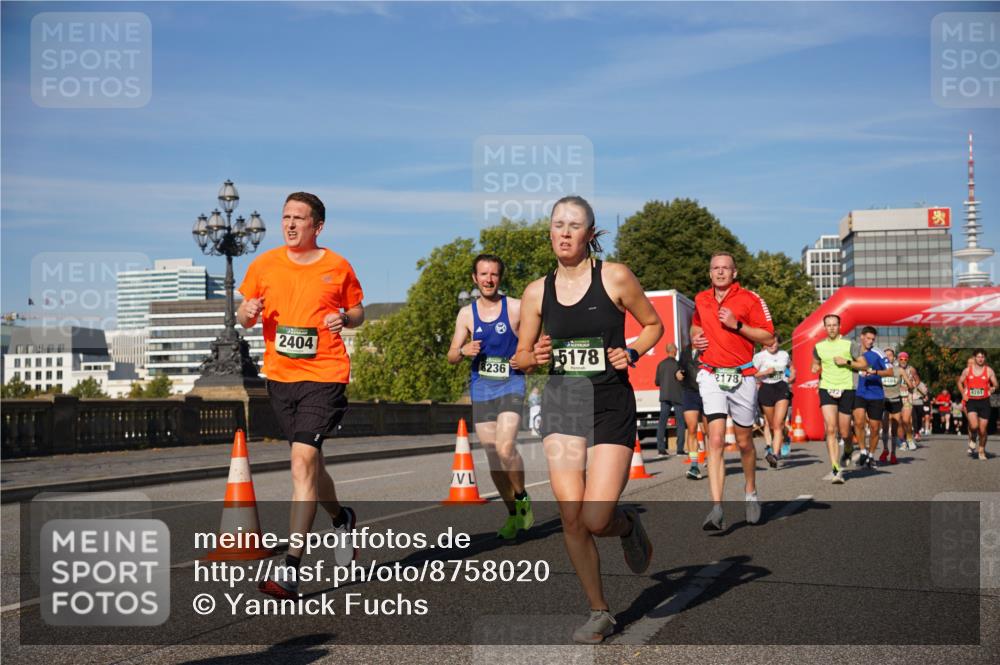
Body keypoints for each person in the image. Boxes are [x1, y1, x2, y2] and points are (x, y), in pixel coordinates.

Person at [514, 195, 663, 644]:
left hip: (610, 402)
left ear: (589, 234)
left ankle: (627, 524)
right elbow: (521, 355)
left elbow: (653, 324)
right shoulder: (536, 292)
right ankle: (599, 611)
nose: (564, 232)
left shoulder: (614, 276)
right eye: (558, 224)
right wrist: (534, 356)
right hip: (562, 403)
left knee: (597, 517)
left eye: (574, 225)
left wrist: (631, 352)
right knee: (571, 515)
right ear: (549, 232)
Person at [239, 192, 365, 600]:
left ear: (318, 226)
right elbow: (243, 315)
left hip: (325, 376)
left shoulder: (337, 266)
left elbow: (358, 312)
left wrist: (344, 318)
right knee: (311, 466)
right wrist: (247, 313)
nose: (290, 224)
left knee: (301, 463)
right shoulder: (264, 265)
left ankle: (291, 569)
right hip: (281, 379)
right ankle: (341, 517)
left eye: (299, 218)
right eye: (285, 217)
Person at [447, 254, 533, 540]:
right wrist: (462, 351)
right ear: (475, 278)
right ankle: (512, 514)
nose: (488, 279)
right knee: (493, 454)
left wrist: (525, 358)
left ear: (500, 277)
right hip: (482, 387)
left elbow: (532, 346)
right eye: (483, 274)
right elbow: (451, 355)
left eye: (494, 274)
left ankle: (522, 497)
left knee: (505, 447)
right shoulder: (466, 314)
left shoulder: (516, 307)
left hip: (511, 384)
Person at [691, 252, 776, 530]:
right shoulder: (701, 298)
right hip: (711, 373)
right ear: (709, 273)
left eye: (725, 268)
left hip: (742, 375)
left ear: (734, 273)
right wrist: (696, 338)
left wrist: (737, 325)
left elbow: (768, 337)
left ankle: (750, 492)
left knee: (744, 442)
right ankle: (716, 509)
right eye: (715, 268)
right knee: (715, 440)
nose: (720, 272)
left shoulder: (750, 299)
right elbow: (695, 325)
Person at [811, 314, 868, 484]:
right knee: (830, 429)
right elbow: (815, 362)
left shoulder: (850, 344)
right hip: (826, 388)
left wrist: (847, 362)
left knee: (844, 432)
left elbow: (864, 364)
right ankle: (836, 469)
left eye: (834, 325)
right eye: (828, 325)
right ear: (824, 327)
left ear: (840, 326)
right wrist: (815, 367)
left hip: (846, 388)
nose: (831, 328)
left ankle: (848, 449)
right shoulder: (819, 346)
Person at [852, 327, 894, 470]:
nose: (870, 342)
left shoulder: (878, 353)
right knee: (858, 422)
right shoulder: (854, 351)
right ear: (861, 337)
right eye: (868, 338)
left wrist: (875, 372)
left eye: (873, 339)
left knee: (875, 428)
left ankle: (871, 455)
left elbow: (890, 371)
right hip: (859, 392)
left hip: (876, 394)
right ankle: (863, 451)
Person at [753, 335, 794, 469]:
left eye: (774, 342)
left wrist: (792, 375)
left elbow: (791, 367)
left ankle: (775, 455)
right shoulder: (759, 356)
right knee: (771, 425)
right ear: (764, 344)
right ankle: (784, 438)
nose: (772, 345)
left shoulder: (784, 354)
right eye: (769, 342)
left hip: (782, 388)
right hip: (766, 389)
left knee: (778, 424)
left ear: (778, 343)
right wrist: (765, 372)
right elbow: (752, 374)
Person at [957, 349, 998, 460]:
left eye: (982, 357)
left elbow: (996, 384)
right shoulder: (967, 371)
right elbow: (959, 382)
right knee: (974, 425)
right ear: (975, 358)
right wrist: (963, 394)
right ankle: (973, 437)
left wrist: (993, 388)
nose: (980, 359)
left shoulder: (989, 371)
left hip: (984, 402)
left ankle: (981, 450)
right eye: (978, 357)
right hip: (972, 401)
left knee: (983, 430)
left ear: (985, 358)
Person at [677, 342, 708, 480]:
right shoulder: (685, 351)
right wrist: (677, 373)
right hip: (689, 392)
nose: (696, 338)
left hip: (707, 391)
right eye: (693, 335)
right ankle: (694, 466)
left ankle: (712, 459)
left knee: (709, 431)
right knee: (692, 428)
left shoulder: (709, 348)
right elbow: (680, 368)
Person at [654, 342, 685, 457]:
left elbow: (657, 382)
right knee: (680, 422)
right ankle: (680, 450)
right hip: (677, 397)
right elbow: (683, 379)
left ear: (667, 351)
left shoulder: (661, 364)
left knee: (662, 422)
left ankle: (661, 450)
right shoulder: (679, 365)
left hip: (664, 396)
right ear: (675, 351)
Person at [879, 347, 904, 465]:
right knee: (884, 427)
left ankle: (893, 453)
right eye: (886, 355)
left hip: (896, 400)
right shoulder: (879, 370)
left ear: (894, 358)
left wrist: (909, 387)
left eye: (890, 355)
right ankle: (885, 449)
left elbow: (910, 383)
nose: (888, 357)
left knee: (894, 428)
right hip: (883, 400)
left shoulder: (899, 370)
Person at [897, 352, 923, 450]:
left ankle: (909, 438)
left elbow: (917, 380)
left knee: (906, 420)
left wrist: (912, 387)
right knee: (899, 421)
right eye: (901, 359)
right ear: (898, 359)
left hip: (907, 396)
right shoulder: (894, 369)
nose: (903, 361)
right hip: (896, 397)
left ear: (908, 360)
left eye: (905, 359)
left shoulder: (911, 369)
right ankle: (902, 441)